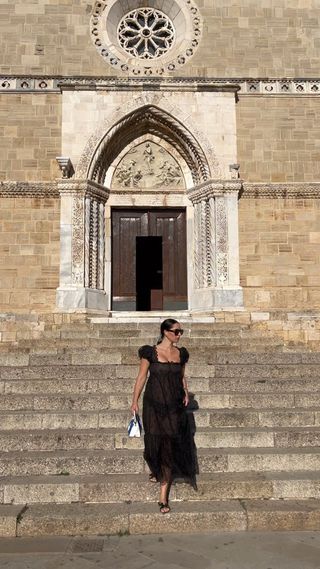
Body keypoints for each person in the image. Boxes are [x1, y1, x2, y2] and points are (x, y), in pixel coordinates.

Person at [131, 318, 197, 514]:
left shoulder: (181, 353)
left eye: (180, 332)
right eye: (176, 331)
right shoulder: (150, 352)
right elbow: (142, 377)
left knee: (169, 444)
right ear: (165, 332)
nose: (179, 335)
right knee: (154, 441)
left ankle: (163, 495)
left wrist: (185, 391)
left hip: (174, 405)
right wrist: (134, 401)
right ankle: (155, 466)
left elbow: (181, 376)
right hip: (154, 404)